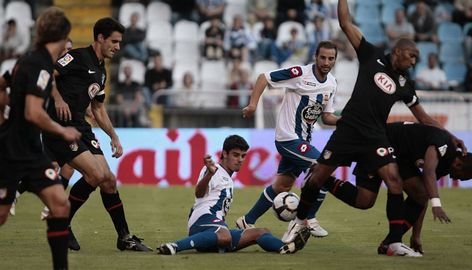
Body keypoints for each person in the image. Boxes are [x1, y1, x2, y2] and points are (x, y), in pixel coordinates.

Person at [282, 0, 466, 257]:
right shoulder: (372, 55)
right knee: (318, 178)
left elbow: (424, 117)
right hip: (348, 130)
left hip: (376, 135)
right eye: (411, 56)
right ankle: (299, 220)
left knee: (393, 182)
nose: (414, 61)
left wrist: (452, 136)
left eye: (416, 58)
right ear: (398, 51)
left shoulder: (405, 84)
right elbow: (346, 23)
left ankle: (392, 242)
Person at [42, 17, 151, 252]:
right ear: (100, 38)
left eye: (120, 42)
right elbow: (47, 73)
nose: (118, 47)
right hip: (59, 127)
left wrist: (114, 136)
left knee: (108, 180)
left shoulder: (101, 71)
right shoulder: (78, 57)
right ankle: (61, 221)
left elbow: (98, 108)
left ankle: (125, 237)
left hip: (81, 126)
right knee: (94, 175)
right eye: (114, 41)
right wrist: (58, 98)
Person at [0, 7, 81, 270]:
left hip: (33, 152)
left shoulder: (33, 60)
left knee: (59, 204)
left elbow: (3, 84)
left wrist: (3, 114)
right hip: (11, 151)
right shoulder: (38, 64)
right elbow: (33, 112)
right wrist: (62, 131)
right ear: (62, 36)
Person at [321, 122, 472, 254]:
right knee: (365, 200)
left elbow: (421, 196)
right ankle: (323, 179)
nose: (453, 178)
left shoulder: (445, 165)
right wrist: (436, 204)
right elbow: (429, 171)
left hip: (401, 158)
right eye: (458, 176)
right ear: (459, 163)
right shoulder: (444, 145)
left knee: (416, 194)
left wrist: (416, 236)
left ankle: (390, 243)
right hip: (382, 142)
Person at [237, 41, 339, 238]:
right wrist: (252, 105)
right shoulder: (300, 73)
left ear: (335, 60)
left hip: (303, 141)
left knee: (282, 185)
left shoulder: (332, 83)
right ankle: (309, 219)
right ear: (315, 57)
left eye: (331, 58)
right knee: (322, 169)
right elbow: (264, 77)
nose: (326, 62)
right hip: (288, 138)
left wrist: (346, 122)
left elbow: (326, 117)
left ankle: (247, 220)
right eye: (323, 57)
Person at [157, 135, 311, 255]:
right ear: (224, 154)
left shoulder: (228, 178)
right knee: (225, 236)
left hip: (216, 227)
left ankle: (286, 247)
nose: (240, 160)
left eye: (243, 156)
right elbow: (198, 193)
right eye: (236, 155)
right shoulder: (214, 169)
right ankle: (175, 246)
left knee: (261, 232)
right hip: (202, 220)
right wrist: (209, 175)